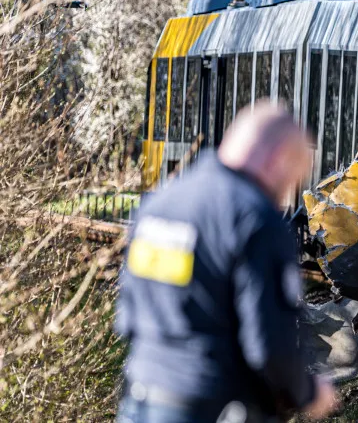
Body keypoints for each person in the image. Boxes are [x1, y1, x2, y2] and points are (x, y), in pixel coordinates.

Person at [115, 102, 338, 422]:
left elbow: (128, 314)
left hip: (140, 400)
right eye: (293, 178)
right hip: (214, 406)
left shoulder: (161, 203)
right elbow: (269, 347)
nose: (287, 194)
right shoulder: (255, 219)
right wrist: (309, 393)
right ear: (278, 159)